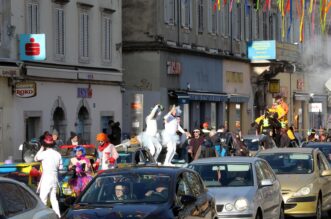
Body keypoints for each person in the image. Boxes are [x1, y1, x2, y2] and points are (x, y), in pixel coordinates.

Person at [34, 134, 62, 218]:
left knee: (43, 199)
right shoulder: (58, 154)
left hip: (46, 177)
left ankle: (44, 217)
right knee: (53, 199)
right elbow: (60, 167)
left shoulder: (44, 153)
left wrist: (41, 149)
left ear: (45, 144)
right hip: (54, 177)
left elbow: (36, 158)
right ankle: (58, 216)